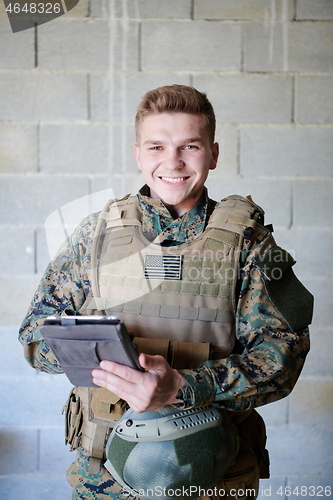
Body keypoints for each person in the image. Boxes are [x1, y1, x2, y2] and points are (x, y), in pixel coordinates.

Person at [19, 85, 313, 500]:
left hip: (214, 476)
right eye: (157, 146)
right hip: (105, 479)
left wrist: (183, 385)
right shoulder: (94, 236)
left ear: (213, 153)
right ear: (139, 154)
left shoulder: (251, 244)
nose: (172, 162)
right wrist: (112, 361)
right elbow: (34, 336)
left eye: (189, 146)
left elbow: (284, 355)